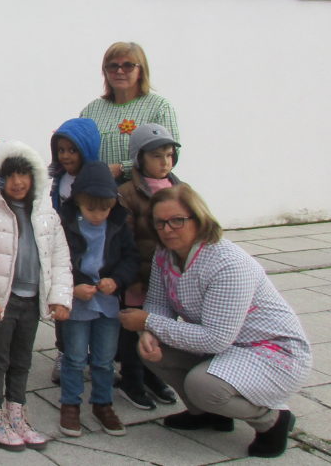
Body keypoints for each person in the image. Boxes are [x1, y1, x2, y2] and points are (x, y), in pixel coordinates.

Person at [119, 184, 311, 459]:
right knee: (150, 351)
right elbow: (159, 303)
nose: (168, 229)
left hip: (273, 352)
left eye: (177, 220)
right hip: (227, 347)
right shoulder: (165, 254)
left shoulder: (227, 264)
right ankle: (207, 414)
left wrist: (148, 322)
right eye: (160, 223)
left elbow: (216, 338)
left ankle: (272, 420)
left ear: (199, 218)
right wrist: (149, 331)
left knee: (203, 386)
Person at [0, 141, 72, 452]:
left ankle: (16, 411)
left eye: (24, 174)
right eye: (11, 176)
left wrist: (60, 296)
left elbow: (60, 256)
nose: (18, 182)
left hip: (31, 299)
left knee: (22, 359)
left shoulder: (46, 214)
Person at [57, 161, 138, 438]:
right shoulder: (65, 223)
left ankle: (102, 404)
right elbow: (58, 260)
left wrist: (116, 280)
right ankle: (70, 404)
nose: (98, 215)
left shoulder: (117, 224)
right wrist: (74, 285)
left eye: (104, 208)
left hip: (107, 303)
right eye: (91, 208)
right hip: (78, 303)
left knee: (104, 360)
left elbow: (131, 258)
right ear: (78, 201)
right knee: (75, 357)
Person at [116, 122, 183, 410]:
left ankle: (153, 376)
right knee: (133, 331)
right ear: (139, 159)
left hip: (170, 280)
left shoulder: (180, 190)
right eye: (157, 156)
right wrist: (131, 276)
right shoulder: (128, 193)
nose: (164, 162)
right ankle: (131, 380)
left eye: (169, 155)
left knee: (161, 330)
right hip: (139, 278)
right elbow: (124, 242)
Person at [47, 116, 101, 383]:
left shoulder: (95, 177)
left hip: (93, 250)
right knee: (63, 298)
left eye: (72, 150)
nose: (66, 156)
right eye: (61, 150)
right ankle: (65, 351)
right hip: (65, 249)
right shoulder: (60, 178)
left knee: (94, 301)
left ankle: (96, 352)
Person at [80, 42, 179, 182]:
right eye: (113, 66)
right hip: (100, 195)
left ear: (141, 71)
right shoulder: (91, 111)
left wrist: (122, 168)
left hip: (142, 194)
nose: (119, 71)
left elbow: (172, 154)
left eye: (128, 66)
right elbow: (79, 152)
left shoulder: (160, 107)